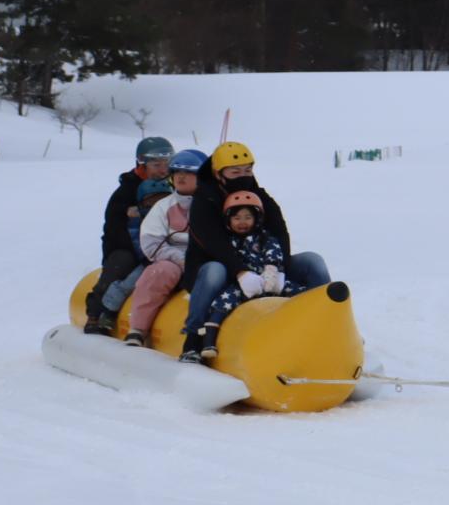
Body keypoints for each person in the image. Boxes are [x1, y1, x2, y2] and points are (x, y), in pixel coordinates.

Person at [180, 141, 330, 357]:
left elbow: (279, 232)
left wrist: (276, 268)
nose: (243, 176)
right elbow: (214, 243)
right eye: (235, 172)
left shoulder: (257, 194)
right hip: (220, 266)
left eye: (248, 170)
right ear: (218, 173)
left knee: (312, 261)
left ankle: (326, 323)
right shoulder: (204, 199)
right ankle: (194, 336)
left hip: (263, 267)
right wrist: (240, 272)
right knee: (215, 270)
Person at [186, 190, 299, 362]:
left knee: (300, 292)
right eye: (237, 218)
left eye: (247, 217)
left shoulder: (264, 238)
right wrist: (240, 275)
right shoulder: (227, 241)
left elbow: (274, 253)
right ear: (228, 220)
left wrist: (272, 272)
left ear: (257, 219)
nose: (242, 222)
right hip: (243, 284)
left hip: (270, 280)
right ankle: (209, 340)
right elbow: (227, 260)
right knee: (221, 302)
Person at [83, 135, 173, 334]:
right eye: (156, 164)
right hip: (127, 245)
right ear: (142, 164)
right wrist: (136, 249)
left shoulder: (173, 184)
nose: (163, 170)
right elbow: (114, 227)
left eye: (166, 164)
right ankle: (96, 314)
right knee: (120, 265)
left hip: (163, 245)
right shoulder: (126, 190)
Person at [125, 148, 206, 347]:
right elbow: (151, 242)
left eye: (188, 173)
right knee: (160, 272)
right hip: (171, 260)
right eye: (177, 172)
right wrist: (179, 258)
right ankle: (138, 329)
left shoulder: (211, 206)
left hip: (204, 260)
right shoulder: (163, 206)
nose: (181, 177)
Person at [99, 179, 175, 321]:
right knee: (129, 283)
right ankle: (109, 311)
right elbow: (139, 244)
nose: (157, 206)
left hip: (173, 260)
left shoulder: (175, 217)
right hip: (149, 261)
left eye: (162, 201)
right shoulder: (138, 223)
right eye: (152, 202)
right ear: (143, 203)